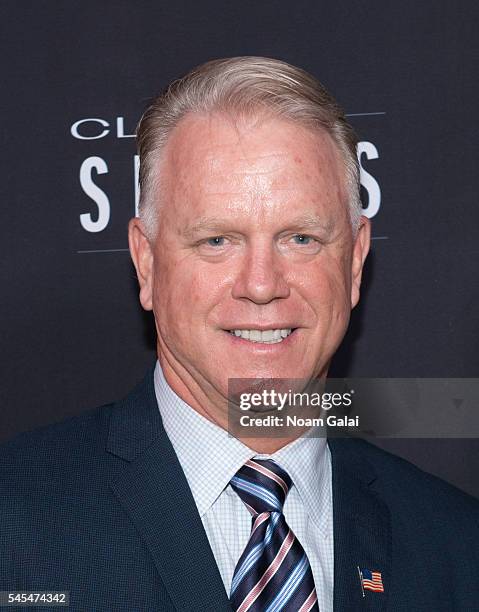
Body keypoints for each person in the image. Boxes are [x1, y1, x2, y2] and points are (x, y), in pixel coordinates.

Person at [1, 57, 477, 612]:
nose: (261, 285)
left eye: (300, 238)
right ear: (147, 263)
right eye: (217, 241)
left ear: (354, 263)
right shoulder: (13, 521)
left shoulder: (456, 547)